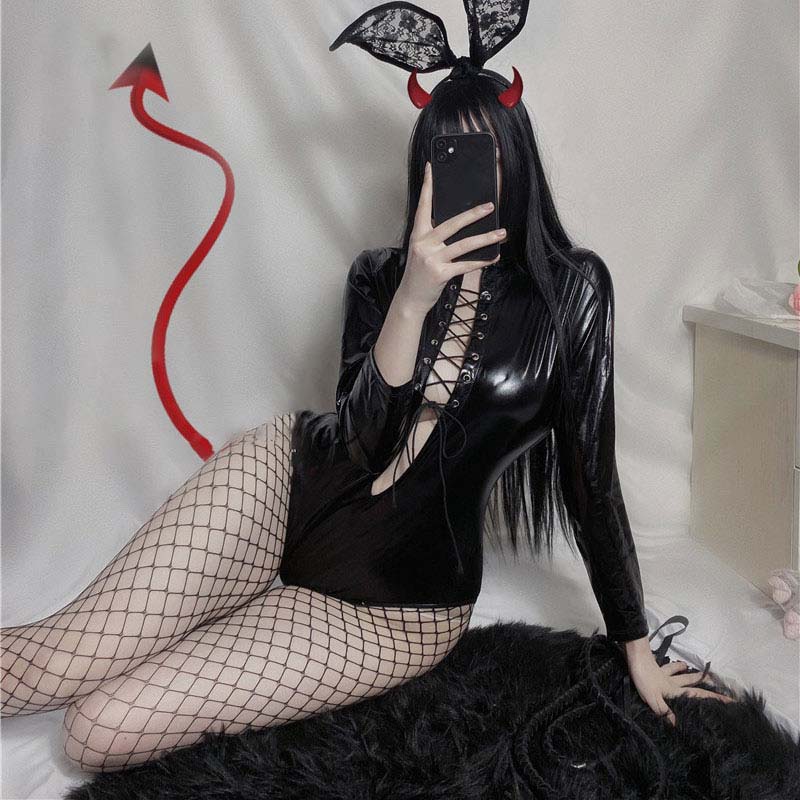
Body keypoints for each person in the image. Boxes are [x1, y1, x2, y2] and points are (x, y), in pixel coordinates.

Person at [0, 0, 732, 774]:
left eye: (485, 153)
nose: (469, 175)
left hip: (398, 604)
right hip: (285, 484)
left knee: (95, 732)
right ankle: (226, 599)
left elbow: (592, 480)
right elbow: (361, 439)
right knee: (58, 658)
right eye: (446, 156)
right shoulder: (379, 277)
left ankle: (245, 615)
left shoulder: (573, 290)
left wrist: (634, 642)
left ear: (516, 159)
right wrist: (413, 297)